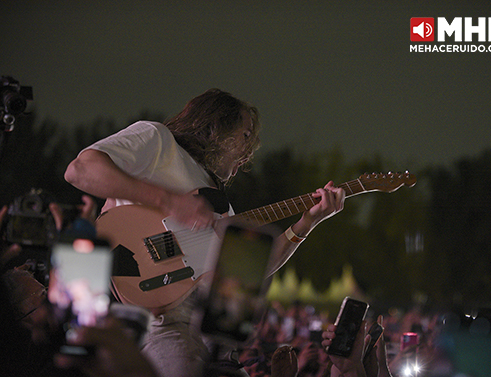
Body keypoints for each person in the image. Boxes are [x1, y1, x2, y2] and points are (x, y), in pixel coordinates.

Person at [64, 88, 346, 377]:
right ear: (214, 126)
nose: (251, 148)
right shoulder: (158, 140)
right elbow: (81, 170)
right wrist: (168, 201)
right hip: (162, 325)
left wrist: (306, 224)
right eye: (246, 133)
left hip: (209, 338)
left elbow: (253, 272)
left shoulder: (221, 208)